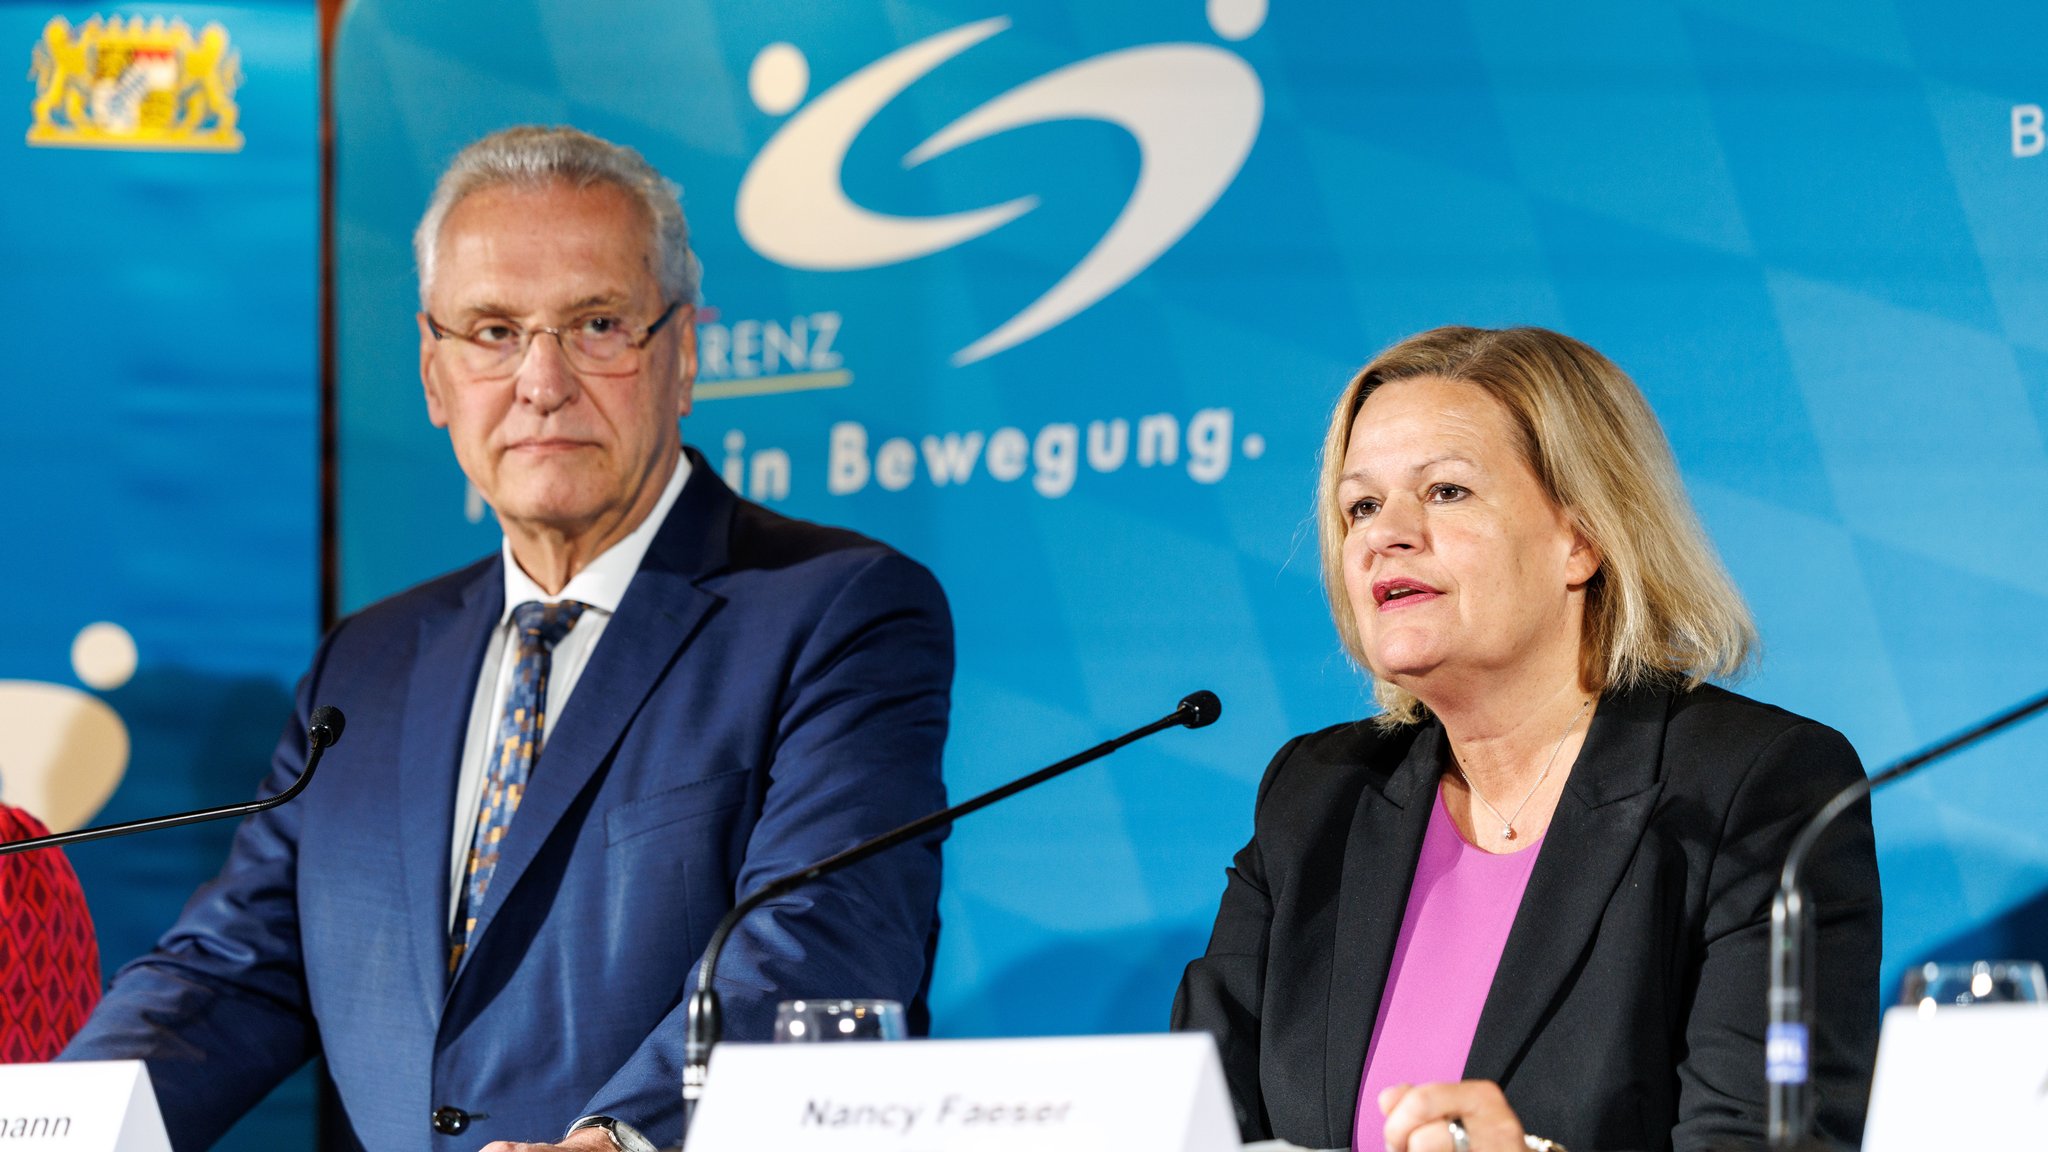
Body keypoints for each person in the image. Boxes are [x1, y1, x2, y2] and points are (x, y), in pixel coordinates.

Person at [62, 126, 953, 1152]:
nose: (541, 380)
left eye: (598, 323)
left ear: (683, 356)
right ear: (434, 375)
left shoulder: (834, 612)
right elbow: (232, 969)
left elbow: (820, 948)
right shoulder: (370, 663)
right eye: (491, 330)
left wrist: (619, 1141)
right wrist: (51, 1128)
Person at [1172, 327, 1880, 1152]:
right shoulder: (1315, 797)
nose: (1384, 534)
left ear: (1582, 537)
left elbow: (1767, 1143)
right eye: (1360, 505)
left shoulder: (1752, 787)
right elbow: (1196, 1121)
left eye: (1445, 492)